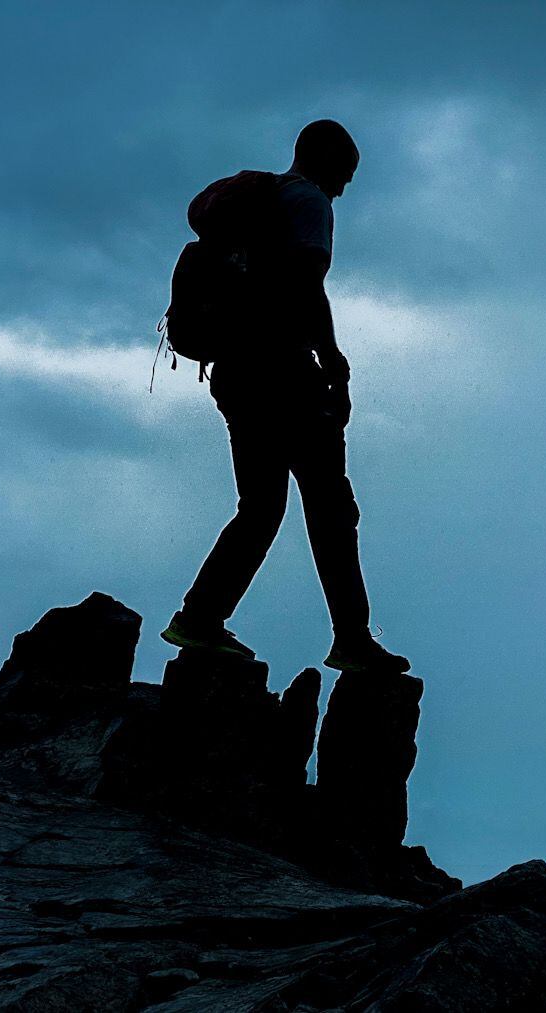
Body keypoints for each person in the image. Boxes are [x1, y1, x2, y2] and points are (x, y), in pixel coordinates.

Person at [161, 120, 410, 674]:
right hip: (282, 373)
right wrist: (333, 363)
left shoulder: (262, 204)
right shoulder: (309, 203)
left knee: (261, 507)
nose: (346, 187)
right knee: (331, 507)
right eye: (345, 172)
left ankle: (199, 618)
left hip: (235, 372)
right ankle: (352, 637)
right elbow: (306, 287)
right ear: (326, 160)